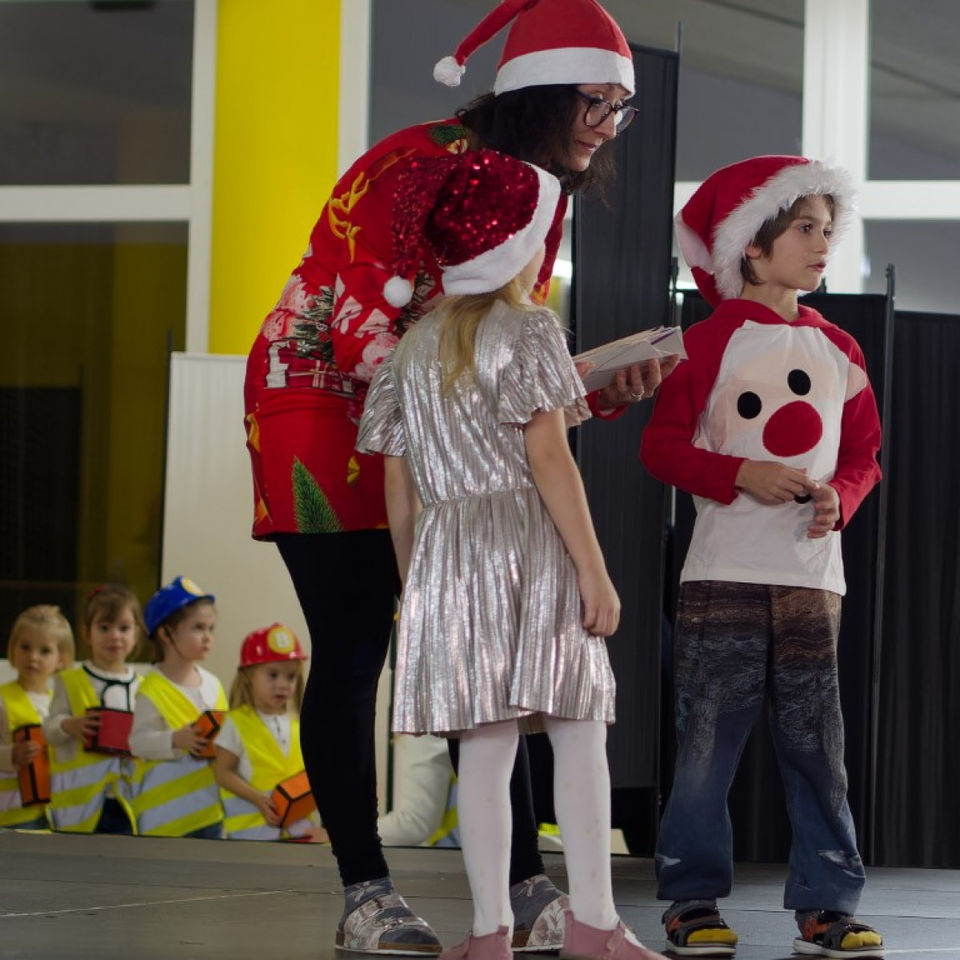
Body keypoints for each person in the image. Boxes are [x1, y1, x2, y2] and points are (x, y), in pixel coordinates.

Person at [242, 0, 676, 953]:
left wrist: (585, 383)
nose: (606, 127)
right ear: (539, 93)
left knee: (483, 647)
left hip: (420, 394)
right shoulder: (417, 161)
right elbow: (366, 318)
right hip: (317, 398)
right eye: (593, 103)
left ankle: (522, 889)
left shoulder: (542, 184)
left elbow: (490, 346)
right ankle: (367, 892)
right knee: (359, 642)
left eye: (620, 108)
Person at [357, 146, 667, 960]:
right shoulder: (528, 329)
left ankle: (491, 929)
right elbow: (549, 459)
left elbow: (399, 486)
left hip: (445, 553)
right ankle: (594, 924)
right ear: (515, 245)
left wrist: (413, 581)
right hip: (528, 541)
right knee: (577, 730)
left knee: (484, 750)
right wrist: (595, 571)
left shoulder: (410, 349)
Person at [640, 155, 885, 958]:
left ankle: (827, 903)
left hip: (813, 580)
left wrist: (839, 499)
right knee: (708, 741)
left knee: (819, 745)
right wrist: (738, 471)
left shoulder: (842, 348)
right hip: (723, 574)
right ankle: (690, 900)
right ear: (753, 245)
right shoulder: (704, 344)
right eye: (804, 229)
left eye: (827, 228)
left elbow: (866, 455)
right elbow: (663, 446)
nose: (822, 243)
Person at [128, 576, 227, 838]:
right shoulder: (151, 688)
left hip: (209, 811)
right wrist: (175, 739)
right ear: (165, 633)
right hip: (164, 818)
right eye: (198, 628)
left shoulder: (214, 684)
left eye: (210, 629)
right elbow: (137, 742)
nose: (208, 638)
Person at [44, 583, 143, 834]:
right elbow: (49, 729)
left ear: (136, 634)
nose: (115, 636)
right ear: (87, 633)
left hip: (127, 798)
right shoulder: (69, 681)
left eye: (123, 628)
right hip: (80, 801)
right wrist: (68, 724)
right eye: (104, 628)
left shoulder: (143, 687)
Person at [215, 622, 322, 841]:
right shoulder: (236, 722)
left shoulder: (299, 725)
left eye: (290, 677)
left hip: (299, 836)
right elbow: (222, 773)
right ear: (248, 676)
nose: (283, 685)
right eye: (273, 675)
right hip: (252, 837)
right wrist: (258, 799)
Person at [0, 605, 74, 830]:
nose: (33, 657)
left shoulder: (62, 705)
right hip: (9, 815)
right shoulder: (2, 699)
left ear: (61, 659)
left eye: (44, 651)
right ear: (12, 649)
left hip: (54, 815)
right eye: (25, 647)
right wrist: (10, 754)